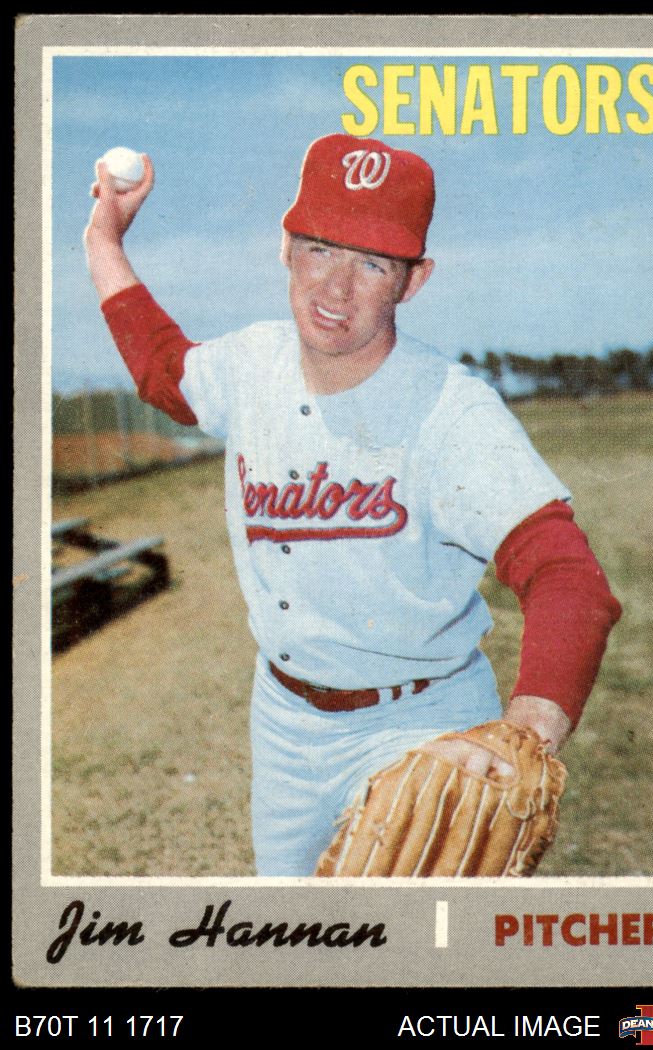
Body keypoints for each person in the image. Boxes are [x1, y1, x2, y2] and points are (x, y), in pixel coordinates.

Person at [84, 133, 621, 876]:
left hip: (422, 722)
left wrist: (527, 731)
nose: (336, 288)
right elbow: (161, 368)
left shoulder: (453, 411)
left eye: (373, 263)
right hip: (284, 722)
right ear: (285, 248)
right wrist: (104, 239)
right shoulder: (251, 365)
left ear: (414, 280)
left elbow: (568, 577)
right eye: (320, 249)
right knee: (291, 930)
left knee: (414, 941)